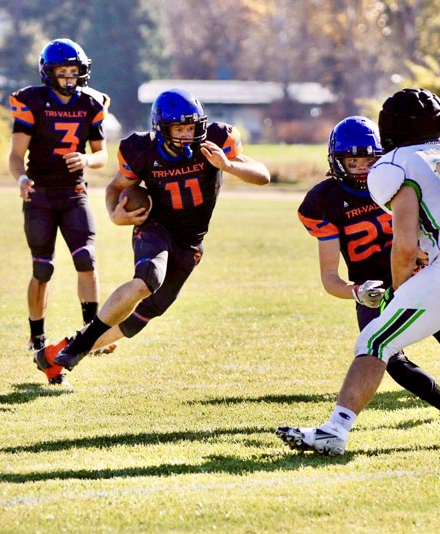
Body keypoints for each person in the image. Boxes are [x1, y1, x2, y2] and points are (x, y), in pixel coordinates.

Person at [277, 88, 440, 455]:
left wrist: (402, 291)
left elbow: (404, 243)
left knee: (374, 341)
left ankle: (334, 431)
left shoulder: (396, 164)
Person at [33, 88, 271, 385]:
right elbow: (114, 189)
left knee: (145, 314)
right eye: (179, 128)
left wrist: (229, 166)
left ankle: (55, 356)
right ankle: (80, 348)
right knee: (148, 280)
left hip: (191, 240)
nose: (187, 134)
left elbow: (263, 175)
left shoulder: (216, 141)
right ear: (161, 128)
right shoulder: (141, 150)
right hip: (155, 227)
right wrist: (114, 214)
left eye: (191, 127)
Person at [298, 115, 440, 429]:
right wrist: (357, 292)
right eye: (353, 161)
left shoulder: (399, 182)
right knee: (388, 357)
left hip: (419, 275)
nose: (362, 169)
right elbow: (330, 279)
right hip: (373, 290)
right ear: (338, 162)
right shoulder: (324, 201)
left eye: (368, 160)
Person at [9, 38, 110, 352]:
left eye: (74, 71)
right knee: (43, 267)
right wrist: (21, 178)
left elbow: (102, 155)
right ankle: (36, 334)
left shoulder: (91, 104)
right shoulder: (32, 102)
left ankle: (91, 335)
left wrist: (86, 160)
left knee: (86, 259)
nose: (69, 77)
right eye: (63, 71)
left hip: (73, 192)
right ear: (48, 72)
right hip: (39, 194)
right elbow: (15, 155)